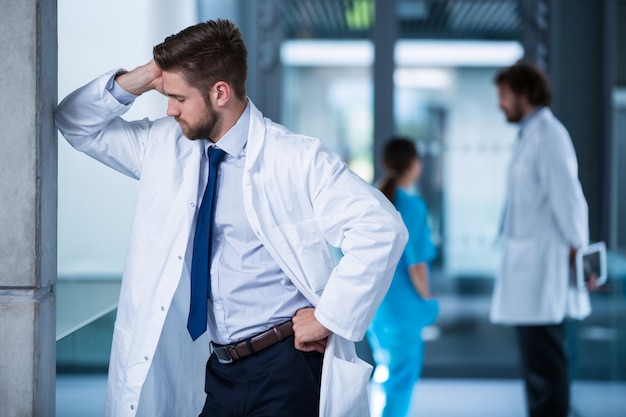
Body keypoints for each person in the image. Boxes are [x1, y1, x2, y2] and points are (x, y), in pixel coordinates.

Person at [55, 19, 407, 417]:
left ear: (220, 92)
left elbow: (381, 228)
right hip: (219, 368)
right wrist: (150, 73)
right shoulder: (165, 146)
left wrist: (329, 317)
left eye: (179, 98)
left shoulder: (297, 158)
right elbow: (75, 122)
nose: (169, 109)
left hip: (285, 365)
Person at [490, 61, 591, 417]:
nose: (500, 103)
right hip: (530, 272)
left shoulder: (549, 135)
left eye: (503, 95)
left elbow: (570, 200)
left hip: (544, 274)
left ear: (524, 93)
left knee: (546, 369)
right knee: (538, 369)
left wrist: (584, 258)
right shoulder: (531, 135)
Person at [366, 137, 438, 417]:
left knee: (385, 372)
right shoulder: (413, 207)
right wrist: (429, 299)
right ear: (413, 164)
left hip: (375, 308)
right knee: (400, 381)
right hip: (403, 310)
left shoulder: (372, 198)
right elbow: (417, 266)